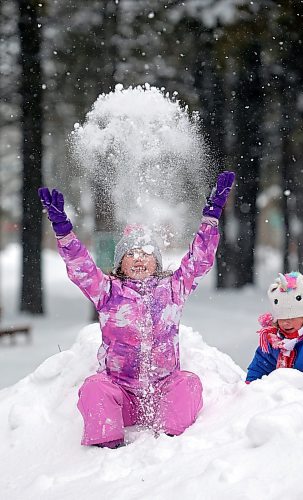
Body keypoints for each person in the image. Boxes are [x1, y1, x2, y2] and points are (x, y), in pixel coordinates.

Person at [38, 171, 235, 448]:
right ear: (120, 264)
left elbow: (199, 260)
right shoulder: (107, 291)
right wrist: (63, 231)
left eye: (146, 254)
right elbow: (80, 266)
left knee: (188, 383)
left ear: (157, 262)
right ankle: (107, 441)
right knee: (95, 387)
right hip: (122, 396)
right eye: (131, 254)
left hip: (162, 393)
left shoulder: (173, 289)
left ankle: (170, 437)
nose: (139, 258)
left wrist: (211, 218)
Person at [246, 271, 303, 395]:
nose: (286, 323)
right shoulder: (274, 339)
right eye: (282, 318)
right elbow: (259, 367)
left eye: (292, 318)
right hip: (287, 404)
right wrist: (250, 393)